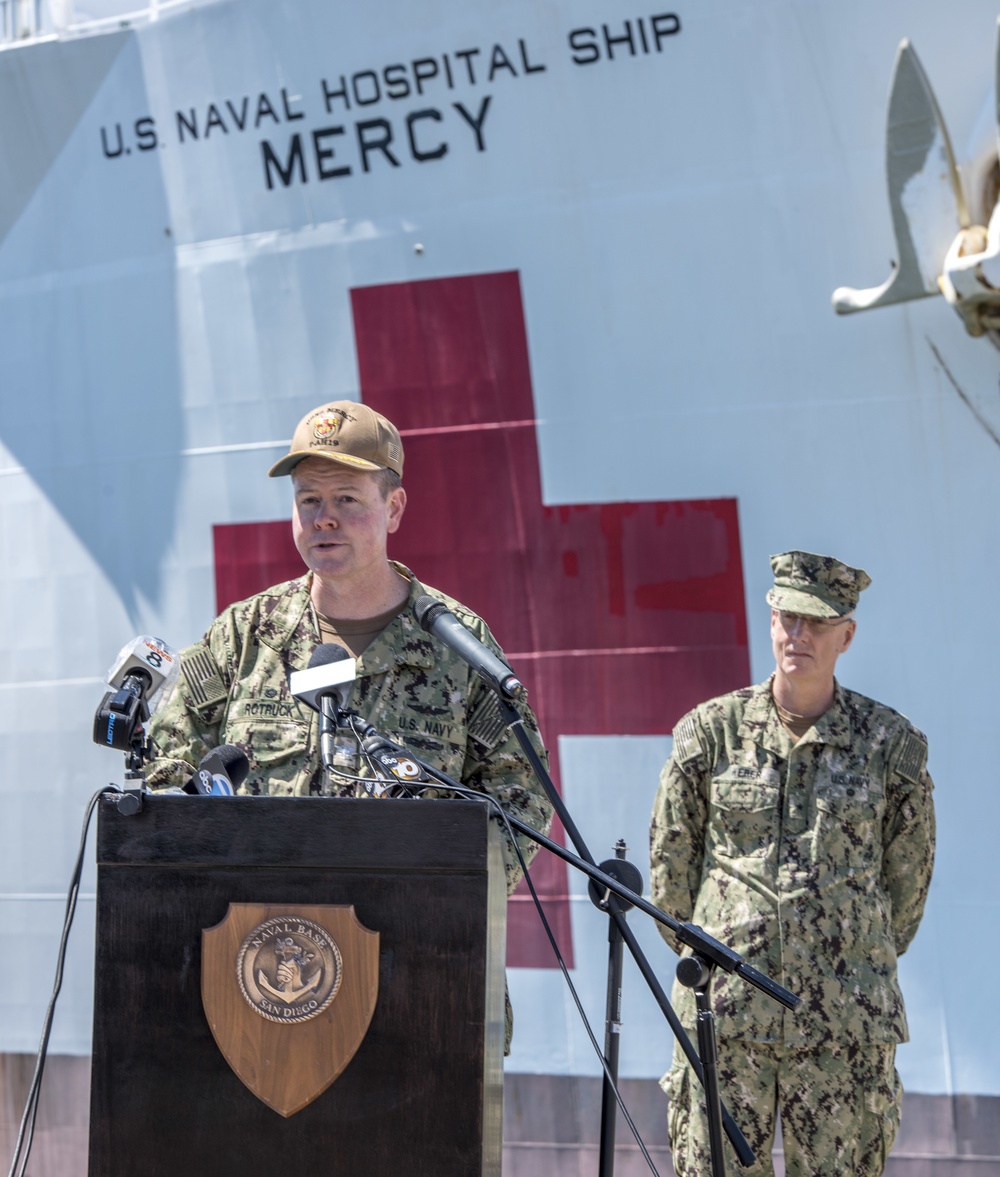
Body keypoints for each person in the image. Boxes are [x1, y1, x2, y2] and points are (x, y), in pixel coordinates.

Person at [146, 399, 554, 1042]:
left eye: (347, 498)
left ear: (392, 509)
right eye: (308, 500)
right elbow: (168, 764)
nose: (324, 518)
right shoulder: (244, 637)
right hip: (262, 980)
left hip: (418, 980)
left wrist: (446, 895)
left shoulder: (457, 644)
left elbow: (523, 795)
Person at [649, 550, 935, 1177]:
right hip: (725, 1021)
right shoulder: (710, 733)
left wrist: (845, 959)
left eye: (816, 622)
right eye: (786, 618)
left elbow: (906, 887)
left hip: (844, 1026)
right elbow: (671, 873)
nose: (798, 635)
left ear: (847, 634)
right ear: (771, 619)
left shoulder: (892, 747)